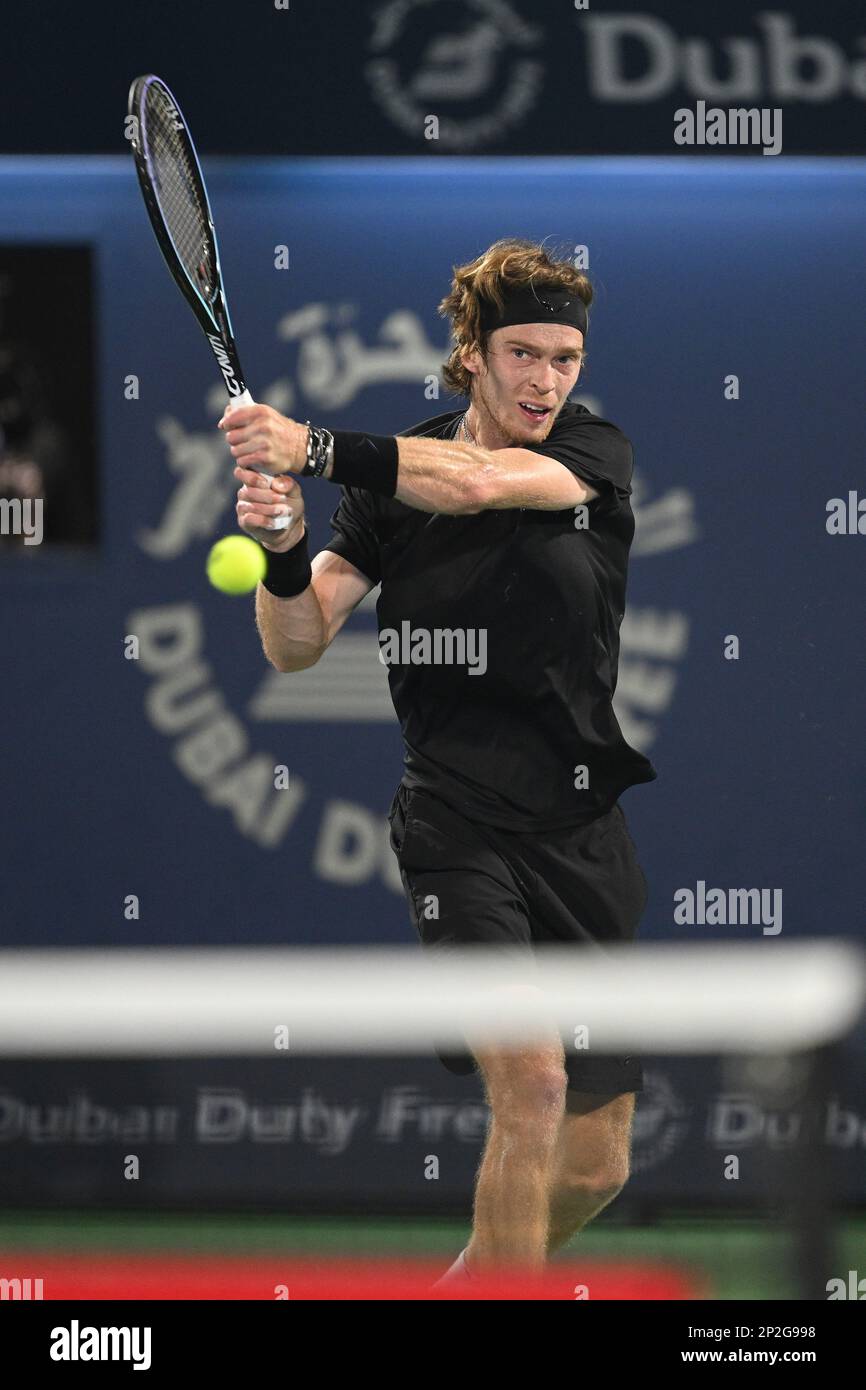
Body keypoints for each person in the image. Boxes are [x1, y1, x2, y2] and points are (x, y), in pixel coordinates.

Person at [224, 239, 656, 1280]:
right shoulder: (392, 485)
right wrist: (282, 548)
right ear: (468, 353)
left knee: (597, 1167)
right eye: (521, 354)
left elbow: (474, 486)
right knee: (533, 1089)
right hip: (455, 830)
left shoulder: (592, 455)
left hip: (582, 830)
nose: (545, 379)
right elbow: (294, 642)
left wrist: (311, 447)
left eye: (564, 356)